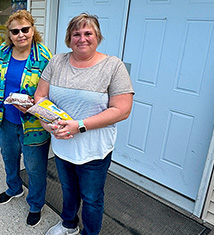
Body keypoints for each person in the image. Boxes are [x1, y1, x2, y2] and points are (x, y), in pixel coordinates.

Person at [35, 13, 134, 235]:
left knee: (91, 198)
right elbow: (40, 97)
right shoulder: (57, 62)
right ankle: (69, 224)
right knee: (68, 190)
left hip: (94, 150)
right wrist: (47, 124)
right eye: (76, 33)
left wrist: (79, 125)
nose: (82, 38)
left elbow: (122, 109)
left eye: (88, 33)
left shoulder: (112, 66)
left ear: (97, 36)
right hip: (62, 145)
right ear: (68, 38)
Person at [0, 10, 52, 227]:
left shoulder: (44, 57)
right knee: (9, 157)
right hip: (7, 119)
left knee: (34, 167)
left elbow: (50, 93)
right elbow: (3, 82)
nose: (21, 35)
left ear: (33, 30)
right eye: (15, 31)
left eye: (25, 29)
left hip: (34, 124)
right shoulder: (3, 52)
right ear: (9, 34)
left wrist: (32, 104)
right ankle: (14, 188)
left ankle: (36, 204)